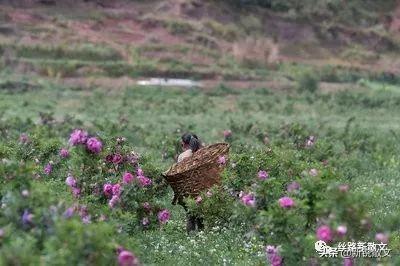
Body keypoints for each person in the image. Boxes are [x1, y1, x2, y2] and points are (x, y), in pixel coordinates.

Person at [176, 133, 204, 232]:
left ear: (184, 143)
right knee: (201, 215)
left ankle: (191, 237)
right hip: (203, 187)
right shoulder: (203, 153)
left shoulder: (182, 156)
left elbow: (178, 173)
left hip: (188, 189)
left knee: (191, 215)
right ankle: (202, 234)